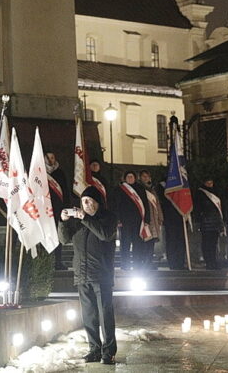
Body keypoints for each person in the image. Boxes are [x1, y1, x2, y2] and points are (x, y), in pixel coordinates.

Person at [58, 186, 118, 365]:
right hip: (82, 275)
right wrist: (63, 221)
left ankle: (109, 351)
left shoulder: (108, 218)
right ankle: (94, 349)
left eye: (90, 201)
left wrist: (85, 218)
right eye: (84, 201)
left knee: (105, 314)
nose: (87, 204)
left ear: (98, 203)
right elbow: (63, 239)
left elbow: (104, 235)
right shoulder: (78, 221)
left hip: (101, 274)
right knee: (88, 315)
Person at [113, 171, 149, 271]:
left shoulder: (140, 189)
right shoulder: (120, 189)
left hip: (138, 222)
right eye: (128, 176)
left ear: (135, 178)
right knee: (125, 244)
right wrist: (118, 220)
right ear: (124, 178)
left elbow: (145, 205)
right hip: (124, 222)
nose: (130, 178)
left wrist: (146, 220)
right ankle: (125, 265)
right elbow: (116, 206)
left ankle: (138, 264)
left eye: (132, 176)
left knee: (138, 244)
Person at [45, 153, 71, 270]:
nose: (50, 160)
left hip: (57, 209)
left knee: (57, 236)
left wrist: (66, 207)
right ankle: (45, 262)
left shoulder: (60, 173)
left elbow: (65, 191)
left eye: (52, 158)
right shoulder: (39, 170)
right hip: (44, 209)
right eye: (48, 158)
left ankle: (57, 261)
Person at [193, 178, 225, 269]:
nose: (210, 184)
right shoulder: (200, 193)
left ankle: (213, 261)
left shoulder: (216, 192)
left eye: (211, 182)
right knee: (207, 243)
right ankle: (208, 262)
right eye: (208, 182)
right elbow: (198, 207)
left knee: (214, 243)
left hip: (215, 222)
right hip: (206, 222)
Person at [139, 170, 163, 270]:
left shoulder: (152, 190)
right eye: (144, 176)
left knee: (151, 243)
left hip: (154, 220)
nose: (146, 178)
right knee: (144, 243)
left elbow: (157, 205)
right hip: (145, 221)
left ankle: (149, 262)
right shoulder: (139, 189)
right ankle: (144, 264)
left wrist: (160, 217)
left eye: (147, 176)